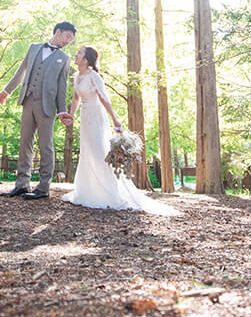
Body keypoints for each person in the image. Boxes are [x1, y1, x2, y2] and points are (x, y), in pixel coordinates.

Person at [62, 46, 177, 215]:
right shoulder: (78, 76)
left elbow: (103, 97)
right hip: (85, 116)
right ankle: (88, 191)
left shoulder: (94, 76)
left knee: (99, 152)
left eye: (79, 54)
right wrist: (71, 115)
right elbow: (76, 97)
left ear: (86, 60)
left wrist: (115, 119)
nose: (76, 55)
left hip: (96, 116)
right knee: (87, 153)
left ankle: (109, 192)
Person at [0, 21, 76, 200]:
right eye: (67, 36)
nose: (68, 41)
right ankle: (22, 184)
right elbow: (21, 72)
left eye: (71, 39)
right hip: (28, 100)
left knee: (45, 145)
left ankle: (43, 187)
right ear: (58, 31)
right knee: (25, 143)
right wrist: (6, 91)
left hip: (47, 105)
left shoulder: (64, 58)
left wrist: (62, 111)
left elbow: (62, 87)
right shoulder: (33, 48)